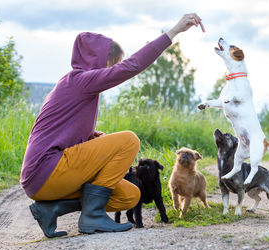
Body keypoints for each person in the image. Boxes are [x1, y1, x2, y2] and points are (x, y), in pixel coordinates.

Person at [20, 13, 204, 238]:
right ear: (95, 59)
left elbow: (59, 132)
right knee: (129, 140)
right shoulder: (79, 80)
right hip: (45, 171)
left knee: (130, 195)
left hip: (45, 178)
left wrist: (91, 138)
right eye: (111, 64)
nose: (110, 70)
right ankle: (92, 217)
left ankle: (51, 209)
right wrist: (174, 31)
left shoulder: (74, 86)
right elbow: (132, 66)